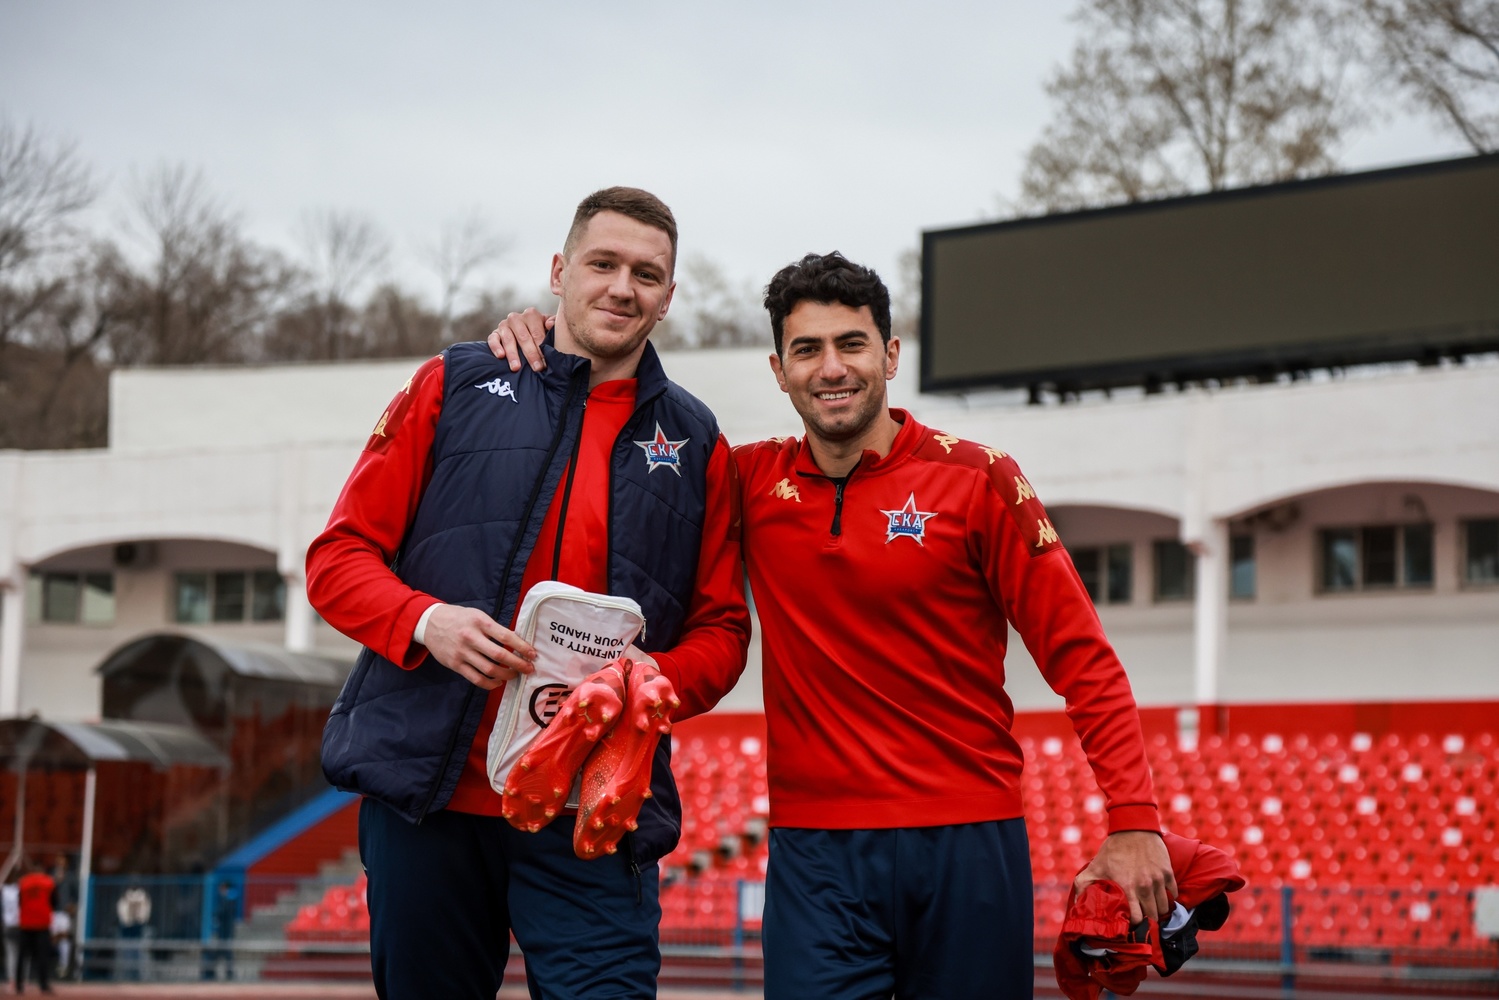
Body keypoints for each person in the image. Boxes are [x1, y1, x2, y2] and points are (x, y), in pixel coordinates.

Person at [489, 251, 1174, 999]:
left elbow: (1084, 661)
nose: (830, 368)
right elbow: (611, 434)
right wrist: (551, 345)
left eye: (850, 344)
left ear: (889, 353)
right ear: (779, 371)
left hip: (969, 843)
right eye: (806, 350)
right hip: (814, 855)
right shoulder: (743, 478)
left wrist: (1133, 821)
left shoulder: (980, 478)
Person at [307, 186, 750, 1000]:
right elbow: (337, 560)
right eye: (603, 263)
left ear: (669, 298)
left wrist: (651, 685)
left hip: (594, 810)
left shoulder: (695, 441)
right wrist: (426, 621)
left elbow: (722, 630)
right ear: (559, 270)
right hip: (428, 802)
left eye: (646, 274)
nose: (622, 287)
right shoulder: (456, 383)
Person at [14, 859, 54, 994]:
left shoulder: (23, 882)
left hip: (26, 923)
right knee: (43, 956)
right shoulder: (48, 882)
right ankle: (43, 985)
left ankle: (19, 985)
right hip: (42, 924)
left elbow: (19, 901)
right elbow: (54, 901)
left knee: (22, 956)